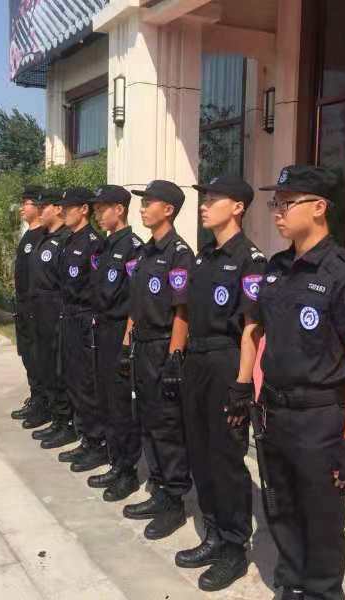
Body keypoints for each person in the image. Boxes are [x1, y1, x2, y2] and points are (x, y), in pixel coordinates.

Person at [237, 165, 345, 600]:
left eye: (287, 203)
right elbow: (253, 328)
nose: (277, 212)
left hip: (319, 418)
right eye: (275, 203)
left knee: (321, 519)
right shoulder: (277, 268)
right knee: (281, 506)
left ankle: (321, 592)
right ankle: (292, 584)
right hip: (274, 412)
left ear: (318, 208)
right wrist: (243, 384)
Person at [176, 175, 267, 591]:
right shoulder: (203, 257)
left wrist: (242, 383)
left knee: (226, 458)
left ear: (238, 207)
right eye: (204, 198)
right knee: (200, 452)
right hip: (196, 361)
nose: (204, 204)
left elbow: (251, 328)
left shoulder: (251, 260)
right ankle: (212, 532)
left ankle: (234, 546)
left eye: (213, 199)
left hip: (226, 361)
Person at [120, 180, 193, 540]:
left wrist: (174, 357)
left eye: (149, 203)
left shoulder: (179, 253)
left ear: (168, 209)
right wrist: (126, 343)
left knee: (167, 425)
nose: (143, 208)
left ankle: (174, 501)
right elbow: (136, 305)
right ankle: (159, 488)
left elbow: (182, 311)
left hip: (164, 346)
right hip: (142, 346)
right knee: (147, 420)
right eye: (143, 202)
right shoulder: (145, 252)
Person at [87, 185, 145, 500]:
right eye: (95, 209)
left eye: (102, 208)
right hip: (102, 329)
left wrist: (126, 345)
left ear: (119, 209)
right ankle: (115, 460)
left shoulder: (133, 247)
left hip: (121, 331)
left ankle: (128, 470)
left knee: (122, 405)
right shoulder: (105, 246)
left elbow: (136, 301)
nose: (97, 214)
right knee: (106, 400)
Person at [50, 187, 106, 456]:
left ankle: (96, 442)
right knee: (71, 378)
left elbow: (96, 288)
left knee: (86, 383)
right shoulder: (68, 240)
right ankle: (84, 436)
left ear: (84, 209)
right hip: (68, 315)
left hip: (85, 317)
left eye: (67, 208)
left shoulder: (94, 242)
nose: (62, 212)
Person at [26, 189, 72, 445]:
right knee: (44, 365)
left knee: (58, 368)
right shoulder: (43, 237)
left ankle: (65, 422)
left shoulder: (65, 239)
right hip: (38, 311)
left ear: (57, 209)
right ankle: (54, 416)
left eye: (44, 207)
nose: (39, 211)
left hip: (56, 311)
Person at [11, 185, 49, 428]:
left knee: (39, 358)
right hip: (24, 307)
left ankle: (44, 404)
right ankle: (36, 398)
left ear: (38, 206)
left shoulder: (43, 236)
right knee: (28, 356)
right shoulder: (28, 235)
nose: (21, 208)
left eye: (26, 203)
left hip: (38, 309)